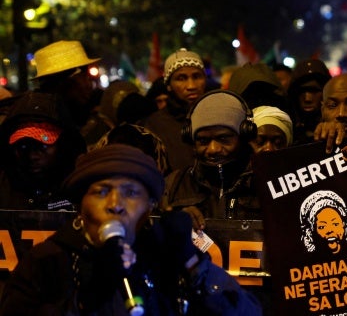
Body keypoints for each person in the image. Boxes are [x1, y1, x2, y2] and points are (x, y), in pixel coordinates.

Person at [0, 144, 261, 314]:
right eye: (101, 192)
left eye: (131, 193)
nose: (116, 205)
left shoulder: (166, 255)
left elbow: (247, 312)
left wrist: (193, 265)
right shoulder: (48, 259)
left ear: (149, 206)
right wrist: (87, 299)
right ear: (80, 205)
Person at [162, 89, 260, 229]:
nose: (213, 149)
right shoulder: (173, 186)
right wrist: (175, 222)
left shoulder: (268, 183)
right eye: (203, 140)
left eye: (223, 138)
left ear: (244, 136)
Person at [0, 91, 86, 211]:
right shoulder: (3, 188)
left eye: (43, 146)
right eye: (23, 146)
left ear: (63, 145)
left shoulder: (81, 188)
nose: (32, 156)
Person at [142, 48, 206, 172]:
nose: (191, 86)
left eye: (197, 76)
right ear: (169, 86)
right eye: (181, 78)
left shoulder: (218, 115)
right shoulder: (155, 125)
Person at [32, 40, 103, 131]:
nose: (89, 85)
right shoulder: (57, 122)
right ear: (64, 81)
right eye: (84, 77)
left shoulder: (35, 111)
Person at [285, 58, 332, 145]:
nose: (307, 99)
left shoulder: (340, 126)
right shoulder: (287, 131)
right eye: (301, 91)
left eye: (314, 91)